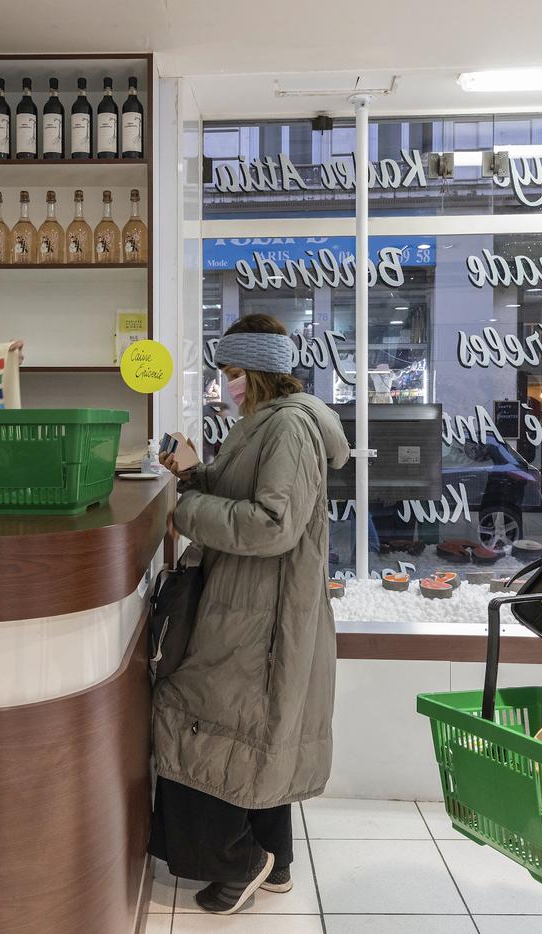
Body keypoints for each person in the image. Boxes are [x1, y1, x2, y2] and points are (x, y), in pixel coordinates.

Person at [150, 314, 350, 915]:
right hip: (255, 603)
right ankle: (276, 863)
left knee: (214, 725)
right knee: (258, 733)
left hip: (260, 610)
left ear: (261, 373)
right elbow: (247, 492)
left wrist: (186, 511)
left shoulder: (287, 428)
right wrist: (194, 474)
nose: (227, 386)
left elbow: (272, 525)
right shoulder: (268, 423)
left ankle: (238, 861)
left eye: (234, 374)